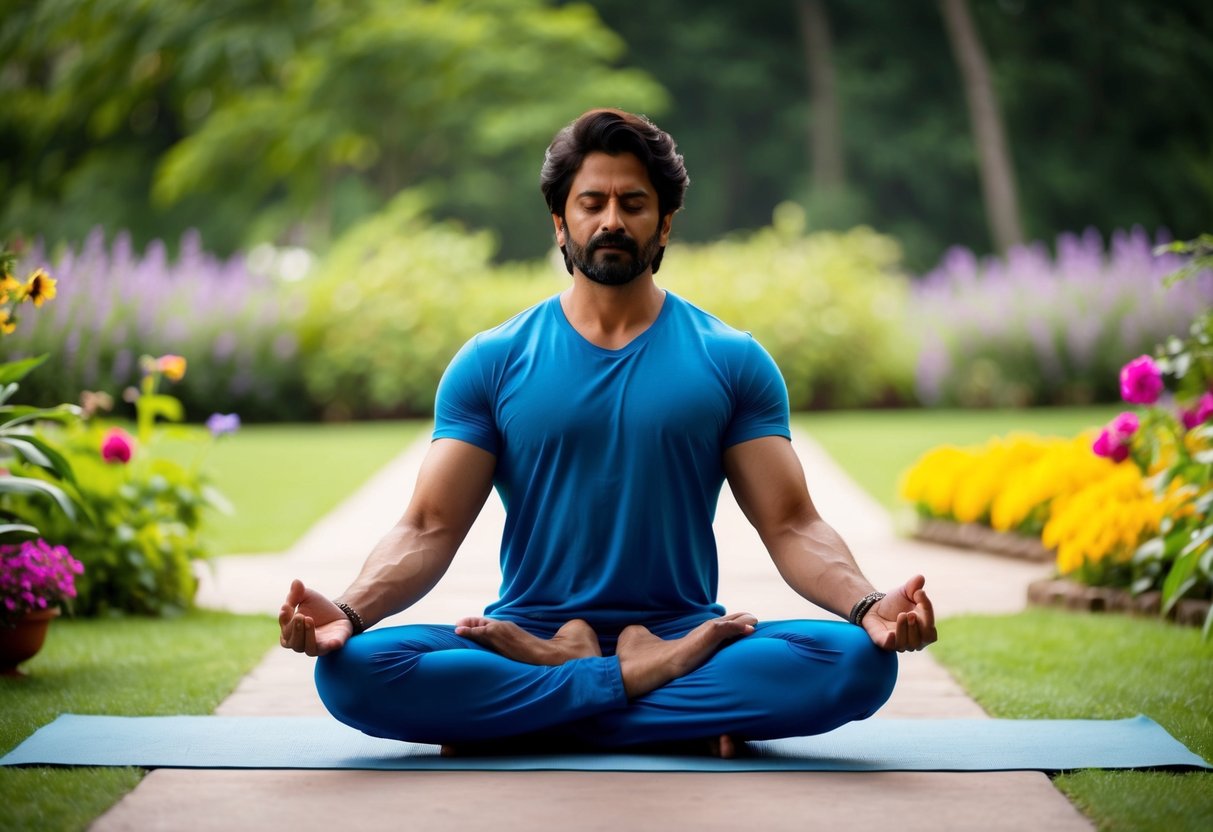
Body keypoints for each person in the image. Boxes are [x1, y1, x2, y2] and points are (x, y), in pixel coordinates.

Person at [279, 108, 936, 757]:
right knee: (354, 672)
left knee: (855, 661)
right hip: (529, 632)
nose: (612, 220)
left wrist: (867, 606)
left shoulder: (731, 359)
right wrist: (350, 612)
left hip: (683, 634)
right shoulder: (492, 360)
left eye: (633, 203)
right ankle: (645, 690)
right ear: (560, 223)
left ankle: (548, 698)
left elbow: (791, 523)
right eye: (591, 202)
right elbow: (427, 526)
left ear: (665, 223)